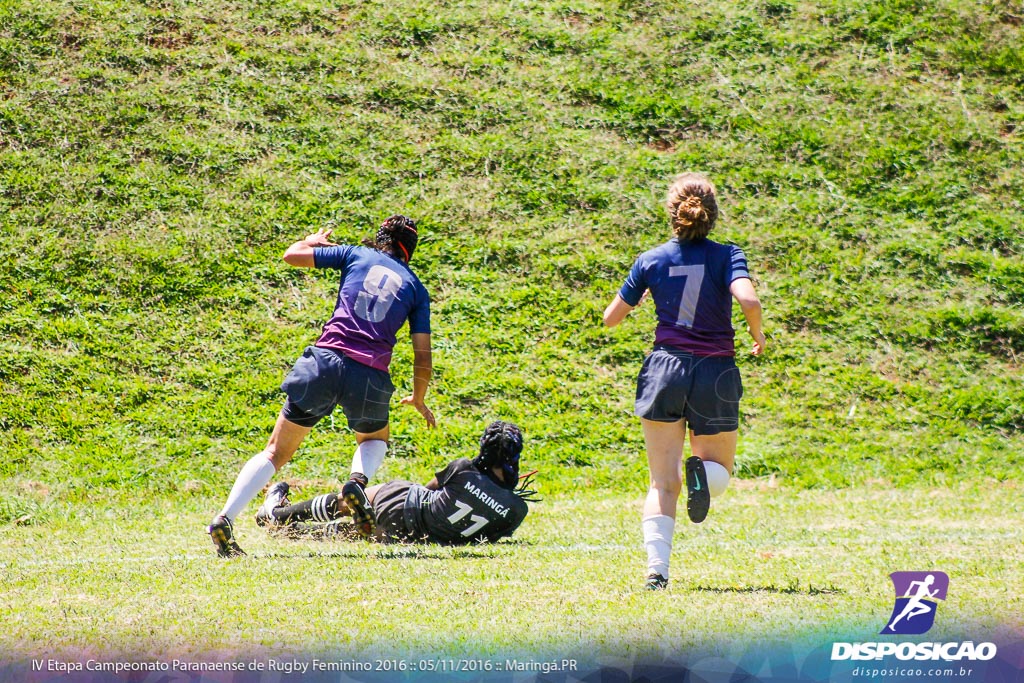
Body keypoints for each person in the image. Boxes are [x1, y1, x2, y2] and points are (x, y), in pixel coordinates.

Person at [207, 215, 436, 557]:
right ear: (410, 251)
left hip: (324, 363)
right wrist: (418, 398)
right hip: (370, 375)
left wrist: (312, 239)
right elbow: (423, 355)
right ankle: (356, 484)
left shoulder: (354, 254)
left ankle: (224, 519)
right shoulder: (416, 288)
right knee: (374, 438)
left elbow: (291, 255)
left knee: (275, 452)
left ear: (380, 237)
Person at [603, 172, 765, 590]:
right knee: (719, 471)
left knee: (662, 480)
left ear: (672, 213)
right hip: (715, 370)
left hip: (664, 370)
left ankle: (657, 573)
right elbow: (748, 297)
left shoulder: (651, 260)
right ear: (712, 214)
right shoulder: (728, 254)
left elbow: (610, 319)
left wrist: (637, 298)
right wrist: (757, 333)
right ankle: (702, 477)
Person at [255, 421, 535, 545]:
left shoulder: (463, 468)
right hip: (417, 538)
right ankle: (296, 535)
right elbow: (489, 537)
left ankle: (277, 515)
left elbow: (427, 489)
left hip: (404, 504)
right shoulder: (517, 509)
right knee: (352, 535)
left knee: (348, 502)